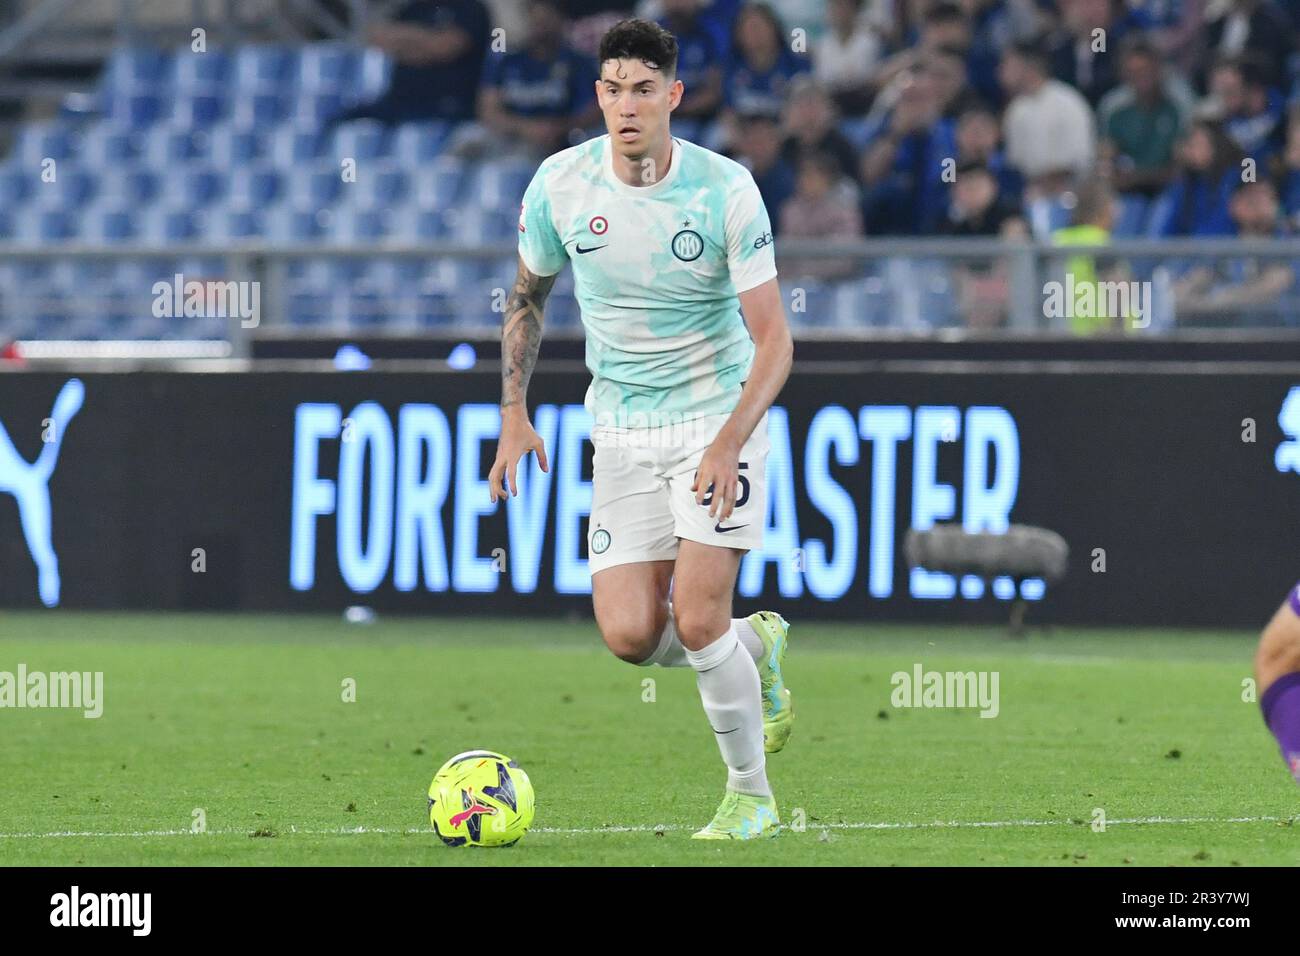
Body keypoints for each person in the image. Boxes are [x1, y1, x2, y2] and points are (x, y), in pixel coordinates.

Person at [490, 18, 796, 840]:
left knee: (697, 618)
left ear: (674, 96)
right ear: (598, 95)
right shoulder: (559, 185)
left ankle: (751, 798)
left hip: (714, 422)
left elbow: (775, 340)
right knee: (631, 634)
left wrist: (731, 439)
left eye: (644, 90)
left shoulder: (725, 189)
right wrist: (513, 414)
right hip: (620, 431)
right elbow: (526, 301)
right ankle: (755, 650)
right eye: (614, 89)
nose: (627, 107)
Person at [332, 0, 490, 124]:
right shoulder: (411, 9)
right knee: (343, 121)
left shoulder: (470, 8)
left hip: (446, 105)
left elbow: (446, 47)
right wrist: (427, 41)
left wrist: (405, 40)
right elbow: (378, 38)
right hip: (399, 103)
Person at [476, 0, 599, 158]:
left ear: (560, 20)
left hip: (561, 142)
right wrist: (526, 128)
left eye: (546, 21)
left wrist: (560, 127)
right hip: (510, 138)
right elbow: (488, 110)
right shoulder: (506, 60)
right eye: (535, 20)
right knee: (465, 143)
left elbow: (594, 109)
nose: (540, 27)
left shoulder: (576, 62)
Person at [999, 39, 1096, 199]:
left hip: (1071, 193)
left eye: (1008, 65)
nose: (1001, 71)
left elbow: (1078, 160)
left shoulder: (1068, 102)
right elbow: (1015, 164)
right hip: (1030, 194)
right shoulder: (1016, 109)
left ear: (1028, 67)